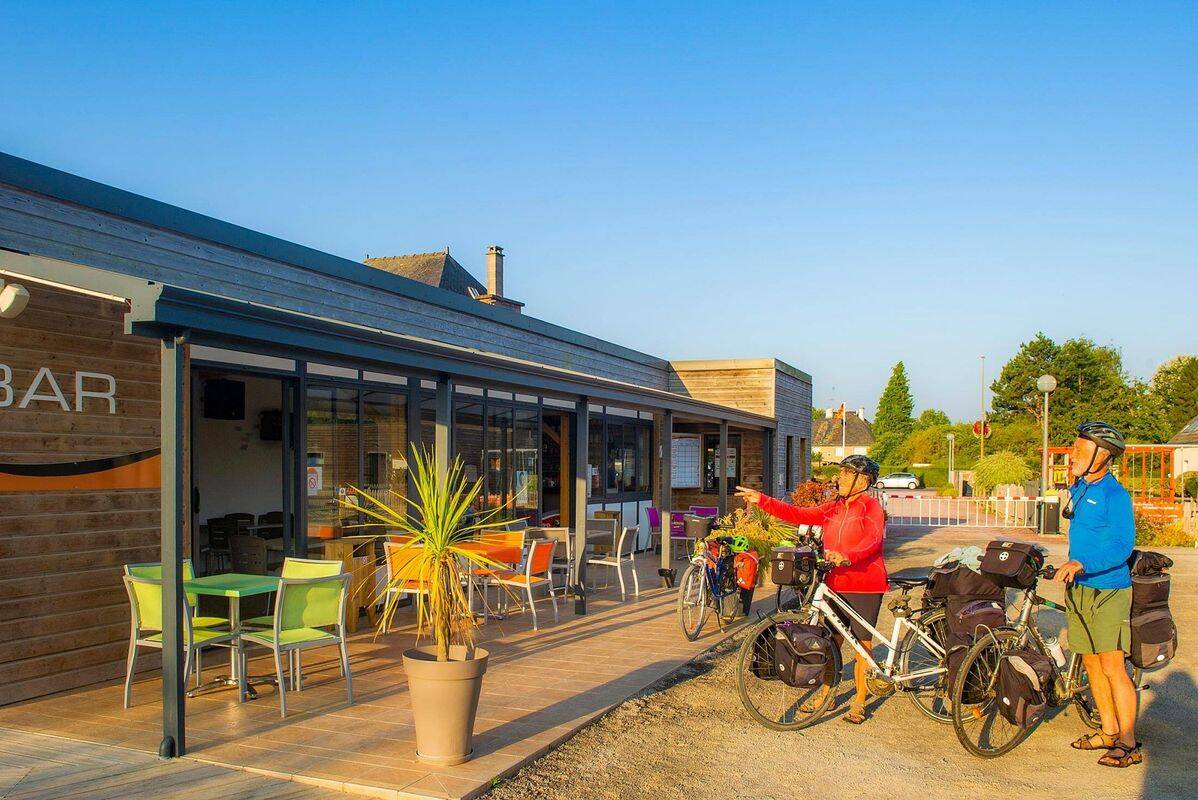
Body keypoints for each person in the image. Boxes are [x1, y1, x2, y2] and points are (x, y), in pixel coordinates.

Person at [735, 454, 888, 724]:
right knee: (829, 643)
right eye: (840, 473)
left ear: (862, 480)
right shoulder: (834, 508)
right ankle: (826, 695)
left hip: (864, 584)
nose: (839, 478)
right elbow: (798, 514)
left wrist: (848, 556)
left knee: (862, 645)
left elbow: (873, 541)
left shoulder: (870, 506)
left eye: (845, 474)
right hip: (835, 583)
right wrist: (762, 500)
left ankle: (860, 701)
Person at [1054, 421, 1140, 768]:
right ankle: (1107, 730)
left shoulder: (1115, 496)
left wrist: (1081, 562)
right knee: (1090, 663)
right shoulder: (1077, 488)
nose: (1073, 454)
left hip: (1108, 591)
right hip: (1081, 589)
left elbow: (1122, 547)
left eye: (1080, 449)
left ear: (1102, 456)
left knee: (1113, 666)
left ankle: (1129, 741)